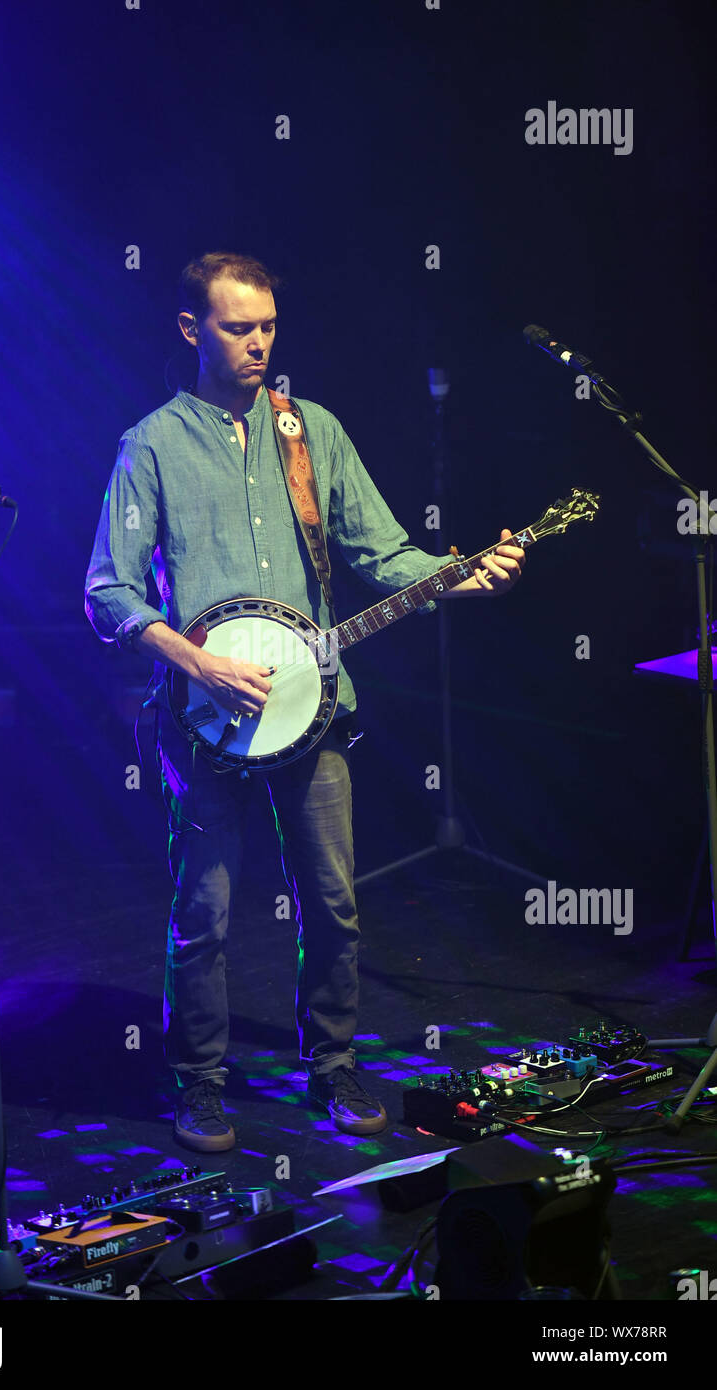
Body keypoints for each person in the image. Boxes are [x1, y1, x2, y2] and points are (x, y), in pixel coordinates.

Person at [85, 251, 525, 1152]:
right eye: (237, 327)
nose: (257, 343)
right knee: (203, 910)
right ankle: (201, 1082)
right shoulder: (152, 445)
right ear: (190, 330)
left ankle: (332, 1064)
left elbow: (386, 554)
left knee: (332, 900)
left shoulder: (309, 430)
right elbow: (106, 592)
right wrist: (194, 662)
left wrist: (464, 578)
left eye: (268, 326)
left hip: (315, 709)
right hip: (204, 720)